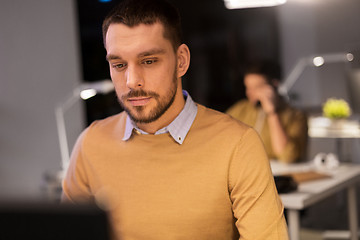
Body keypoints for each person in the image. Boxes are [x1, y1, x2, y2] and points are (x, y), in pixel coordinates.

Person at [61, 0, 289, 239]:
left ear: (181, 61)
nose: (131, 81)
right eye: (119, 65)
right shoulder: (90, 144)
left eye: (148, 61)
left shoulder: (238, 145)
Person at [226, 61, 308, 163]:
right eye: (247, 87)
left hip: (276, 175)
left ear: (274, 85)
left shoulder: (296, 116)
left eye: (256, 87)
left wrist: (272, 113)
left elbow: (287, 156)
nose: (249, 93)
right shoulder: (241, 109)